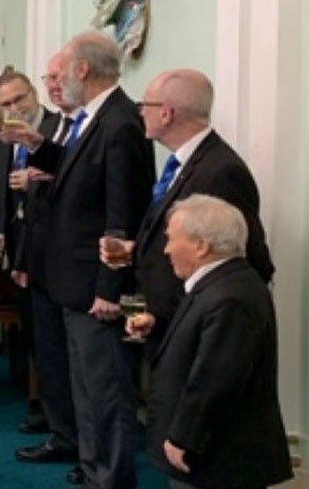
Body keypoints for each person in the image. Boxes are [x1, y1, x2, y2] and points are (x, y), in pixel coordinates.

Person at [3, 31, 155, 489]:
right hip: (73, 283)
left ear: (83, 71)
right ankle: (95, 483)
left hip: (97, 288)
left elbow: (121, 217)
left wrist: (111, 288)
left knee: (106, 396)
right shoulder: (97, 119)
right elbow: (78, 174)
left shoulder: (120, 123)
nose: (56, 81)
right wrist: (41, 147)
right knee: (87, 393)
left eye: (60, 71)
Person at [126, 195, 291, 489]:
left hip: (218, 465)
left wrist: (183, 437)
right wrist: (158, 327)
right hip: (213, 458)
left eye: (172, 239)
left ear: (201, 245)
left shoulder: (230, 297)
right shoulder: (221, 284)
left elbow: (217, 379)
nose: (166, 249)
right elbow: (203, 343)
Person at [102, 69, 273, 343]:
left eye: (145, 104)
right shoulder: (182, 164)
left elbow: (244, 260)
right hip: (164, 322)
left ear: (166, 113)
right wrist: (132, 251)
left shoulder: (220, 171)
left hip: (196, 330)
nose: (140, 111)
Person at [9, 54, 83, 484]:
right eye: (50, 77)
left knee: (79, 366)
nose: (55, 84)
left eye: (59, 78)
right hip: (38, 258)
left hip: (75, 264)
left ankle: (83, 447)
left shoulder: (67, 129)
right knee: (51, 357)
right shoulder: (42, 133)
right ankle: (62, 435)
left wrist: (42, 177)